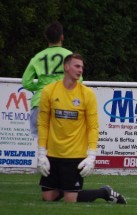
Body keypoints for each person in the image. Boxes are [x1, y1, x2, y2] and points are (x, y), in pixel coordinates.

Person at [37, 53, 126, 203]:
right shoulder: (49, 91)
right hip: (53, 153)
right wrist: (41, 153)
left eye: (82, 67)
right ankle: (66, 188)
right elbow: (43, 123)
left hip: (75, 155)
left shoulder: (87, 94)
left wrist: (91, 155)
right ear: (66, 67)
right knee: (48, 197)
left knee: (70, 200)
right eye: (77, 66)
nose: (80, 70)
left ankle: (104, 192)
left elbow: (93, 127)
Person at [22, 20, 82, 139]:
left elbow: (26, 82)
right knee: (61, 143)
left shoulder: (37, 57)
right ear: (62, 37)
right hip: (63, 102)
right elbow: (79, 80)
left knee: (41, 145)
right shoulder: (70, 55)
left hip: (40, 100)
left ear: (46, 38)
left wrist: (40, 86)